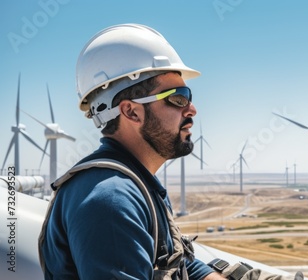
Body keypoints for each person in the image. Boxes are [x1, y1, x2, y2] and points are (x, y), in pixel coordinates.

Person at [38, 23, 226, 280]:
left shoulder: (138, 184)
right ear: (131, 112)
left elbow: (178, 262)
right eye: (178, 97)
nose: (192, 109)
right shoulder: (110, 200)